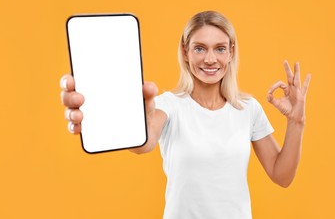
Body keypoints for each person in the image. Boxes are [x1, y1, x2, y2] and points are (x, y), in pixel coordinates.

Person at [60, 11, 311, 219]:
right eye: (199, 48)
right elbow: (144, 142)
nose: (210, 59)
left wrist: (296, 121)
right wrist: (125, 121)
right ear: (185, 51)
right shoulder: (169, 105)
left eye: (220, 49)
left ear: (231, 52)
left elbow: (282, 175)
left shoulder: (248, 108)